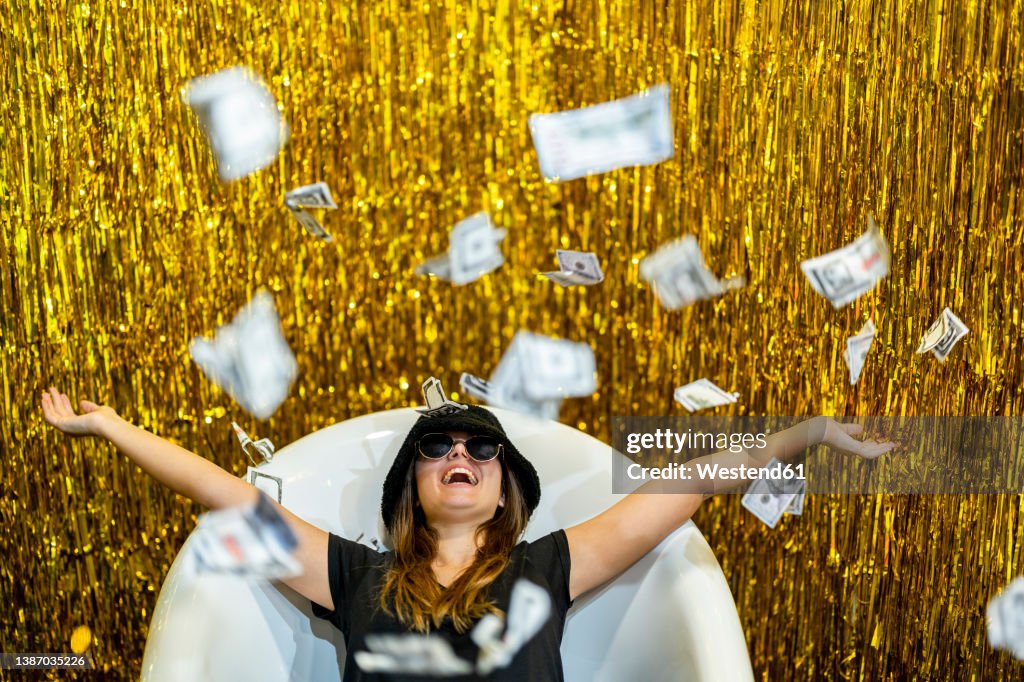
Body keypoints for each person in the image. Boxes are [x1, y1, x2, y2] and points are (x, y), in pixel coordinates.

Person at [40, 386, 896, 681]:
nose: (460, 454)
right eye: (437, 447)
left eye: (480, 446)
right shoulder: (352, 577)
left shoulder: (549, 567)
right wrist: (114, 428)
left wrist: (811, 434)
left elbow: (689, 482)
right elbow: (226, 496)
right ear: (413, 483)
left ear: (502, 492)